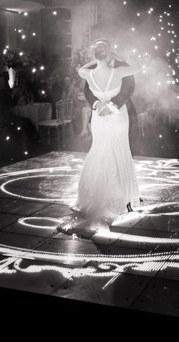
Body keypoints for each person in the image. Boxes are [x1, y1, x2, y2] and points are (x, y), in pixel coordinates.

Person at [58, 39, 139, 239]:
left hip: (99, 119)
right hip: (117, 118)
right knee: (117, 151)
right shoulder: (118, 72)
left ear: (94, 55)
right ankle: (119, 198)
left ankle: (93, 196)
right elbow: (137, 67)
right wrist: (115, 55)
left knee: (99, 150)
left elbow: (80, 69)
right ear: (108, 53)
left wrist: (95, 59)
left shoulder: (87, 73)